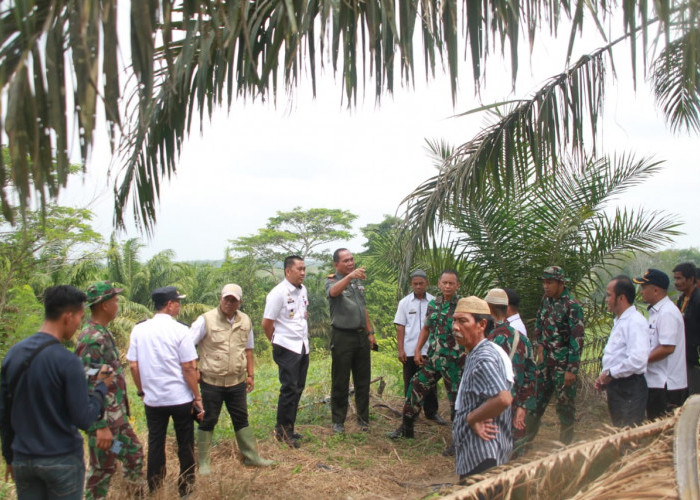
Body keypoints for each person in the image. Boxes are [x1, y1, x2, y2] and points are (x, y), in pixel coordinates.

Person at [0, 285, 112, 500]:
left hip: (23, 458)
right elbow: (84, 419)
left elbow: (4, 411)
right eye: (80, 316)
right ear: (68, 317)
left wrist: (9, 456)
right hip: (61, 459)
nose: (80, 323)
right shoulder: (67, 361)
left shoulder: (14, 354)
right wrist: (101, 387)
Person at [127, 286, 203, 498]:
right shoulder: (180, 330)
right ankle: (186, 488)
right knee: (185, 444)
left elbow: (133, 366)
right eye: (178, 302)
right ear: (169, 305)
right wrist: (197, 397)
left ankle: (155, 488)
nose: (179, 306)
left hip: (153, 399)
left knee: (155, 443)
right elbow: (189, 366)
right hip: (180, 398)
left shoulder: (139, 329)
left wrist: (142, 391)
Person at [191, 284, 274, 471]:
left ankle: (251, 457)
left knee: (241, 418)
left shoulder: (245, 320)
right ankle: (203, 462)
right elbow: (188, 346)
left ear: (240, 302)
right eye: (226, 299)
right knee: (208, 419)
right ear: (220, 299)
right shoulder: (206, 320)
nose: (229, 303)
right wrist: (195, 367)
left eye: (233, 300)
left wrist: (250, 375)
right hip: (212, 380)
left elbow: (249, 349)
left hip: (237, 380)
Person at [75, 281, 144, 499]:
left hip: (112, 419)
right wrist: (99, 425)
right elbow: (87, 382)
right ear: (104, 305)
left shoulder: (102, 333)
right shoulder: (93, 339)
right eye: (114, 300)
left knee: (117, 459)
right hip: (105, 422)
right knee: (113, 462)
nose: (117, 304)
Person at [389, 270, 462, 451]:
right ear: (438, 283)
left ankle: (459, 439)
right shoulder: (434, 304)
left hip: (454, 362)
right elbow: (426, 329)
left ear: (457, 285)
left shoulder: (462, 305)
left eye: (451, 283)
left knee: (456, 401)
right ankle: (406, 428)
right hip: (434, 358)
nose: (447, 286)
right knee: (415, 386)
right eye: (444, 283)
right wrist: (417, 349)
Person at [452, 296, 513, 480]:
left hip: (482, 452)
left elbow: (503, 398)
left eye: (463, 321)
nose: (455, 327)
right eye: (454, 320)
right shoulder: (482, 351)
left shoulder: (483, 358)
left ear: (482, 324)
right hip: (480, 451)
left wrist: (472, 417)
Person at [528, 266, 584, 445]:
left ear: (561, 283)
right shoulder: (546, 301)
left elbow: (577, 339)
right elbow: (539, 323)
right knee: (535, 403)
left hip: (563, 366)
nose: (546, 286)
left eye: (549, 282)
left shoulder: (572, 306)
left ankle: (565, 447)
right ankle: (523, 443)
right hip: (545, 364)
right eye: (544, 282)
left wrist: (571, 369)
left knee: (565, 407)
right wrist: (538, 346)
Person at [326, 248, 376, 433]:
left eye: (352, 259)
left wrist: (371, 333)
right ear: (336, 264)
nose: (350, 263)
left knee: (363, 379)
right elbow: (333, 293)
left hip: (362, 335)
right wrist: (349, 277)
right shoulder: (332, 280)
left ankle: (363, 419)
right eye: (345, 261)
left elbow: (363, 308)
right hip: (342, 337)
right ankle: (338, 421)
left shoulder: (357, 282)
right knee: (340, 379)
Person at [263, 256, 309, 449]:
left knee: (298, 387)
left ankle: (289, 428)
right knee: (288, 388)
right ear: (287, 271)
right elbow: (267, 323)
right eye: (299, 269)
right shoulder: (277, 293)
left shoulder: (303, 290)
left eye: (304, 269)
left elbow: (303, 314)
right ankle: (282, 431)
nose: (303, 273)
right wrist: (276, 342)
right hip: (286, 346)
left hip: (302, 345)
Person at [484, 288, 536, 453]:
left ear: (488, 309)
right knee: (516, 455)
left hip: (495, 406)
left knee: (493, 454)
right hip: (516, 404)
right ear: (506, 308)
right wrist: (523, 407)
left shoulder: (490, 341)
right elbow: (531, 376)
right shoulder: (523, 339)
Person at [594, 276, 650, 427]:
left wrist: (611, 373)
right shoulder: (620, 321)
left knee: (628, 435)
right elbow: (617, 355)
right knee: (619, 431)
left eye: (609, 295)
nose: (606, 299)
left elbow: (637, 360)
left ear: (621, 298)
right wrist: (606, 375)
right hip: (618, 386)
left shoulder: (635, 322)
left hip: (630, 388)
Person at [392, 269, 445, 425]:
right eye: (415, 284)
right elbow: (400, 327)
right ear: (411, 284)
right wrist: (400, 350)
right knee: (410, 382)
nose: (418, 286)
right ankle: (410, 415)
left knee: (430, 383)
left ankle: (431, 412)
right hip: (409, 350)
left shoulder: (435, 302)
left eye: (421, 283)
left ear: (427, 283)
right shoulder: (405, 303)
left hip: (430, 350)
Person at [633, 269, 688, 419]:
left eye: (644, 288)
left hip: (667, 384)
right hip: (656, 382)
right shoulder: (657, 312)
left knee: (662, 433)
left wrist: (639, 361)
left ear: (656, 290)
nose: (641, 292)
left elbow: (667, 348)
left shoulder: (667, 313)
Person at [672, 262, 700, 394]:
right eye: (675, 279)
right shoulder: (682, 299)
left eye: (679, 278)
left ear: (691, 279)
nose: (676, 282)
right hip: (683, 357)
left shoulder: (698, 300)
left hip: (694, 358)